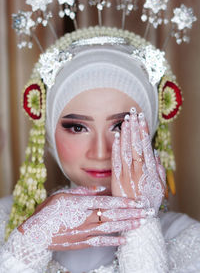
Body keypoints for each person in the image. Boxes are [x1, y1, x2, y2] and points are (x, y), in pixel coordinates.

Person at [0, 25, 200, 273]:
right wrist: (25, 247)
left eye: (120, 125)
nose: (100, 151)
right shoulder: (5, 221)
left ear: (152, 130)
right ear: (50, 131)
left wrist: (140, 227)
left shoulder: (187, 238)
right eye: (77, 128)